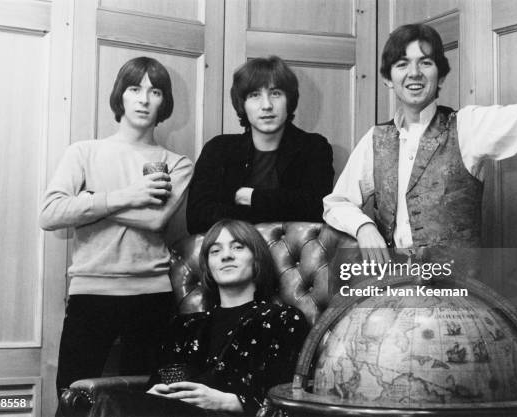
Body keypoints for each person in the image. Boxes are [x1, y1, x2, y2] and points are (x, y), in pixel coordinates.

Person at [323, 2, 517, 264]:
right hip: (392, 285)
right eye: (402, 64)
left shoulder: (468, 127)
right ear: (388, 79)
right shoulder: (376, 139)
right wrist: (362, 227)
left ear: (441, 76)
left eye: (425, 63)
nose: (414, 73)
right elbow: (336, 202)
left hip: (458, 291)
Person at [39, 57, 193, 402]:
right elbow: (50, 213)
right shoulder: (84, 152)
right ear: (120, 96)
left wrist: (90, 202)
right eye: (134, 89)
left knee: (148, 402)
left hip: (152, 296)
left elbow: (156, 220)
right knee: (73, 400)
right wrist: (128, 196)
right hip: (91, 292)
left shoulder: (176, 163)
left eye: (154, 91)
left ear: (163, 101)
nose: (143, 99)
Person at [88, 219, 310, 417]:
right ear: (208, 266)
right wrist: (153, 392)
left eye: (238, 247)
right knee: (111, 401)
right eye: (215, 251)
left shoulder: (283, 319)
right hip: (173, 413)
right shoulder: (184, 326)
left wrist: (225, 401)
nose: (226, 255)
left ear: (257, 259)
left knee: (110, 404)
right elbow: (162, 383)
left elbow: (286, 399)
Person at [187, 56, 334, 234]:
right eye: (255, 95)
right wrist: (279, 206)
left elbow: (317, 209)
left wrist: (250, 197)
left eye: (275, 93)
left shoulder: (313, 147)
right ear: (242, 104)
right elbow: (197, 218)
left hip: (296, 258)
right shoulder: (219, 149)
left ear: (290, 100)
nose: (267, 105)